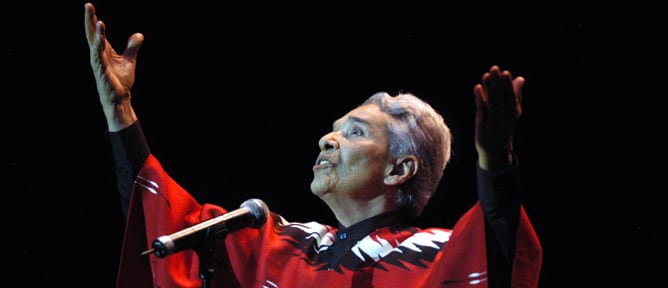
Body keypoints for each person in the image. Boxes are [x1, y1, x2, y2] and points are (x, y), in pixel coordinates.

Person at [84, 2, 542, 287]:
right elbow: (157, 220)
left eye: (356, 132)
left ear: (398, 170)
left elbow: (499, 250)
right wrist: (119, 111)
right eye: (336, 127)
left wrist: (495, 158)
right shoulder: (278, 245)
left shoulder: (434, 254)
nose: (328, 138)